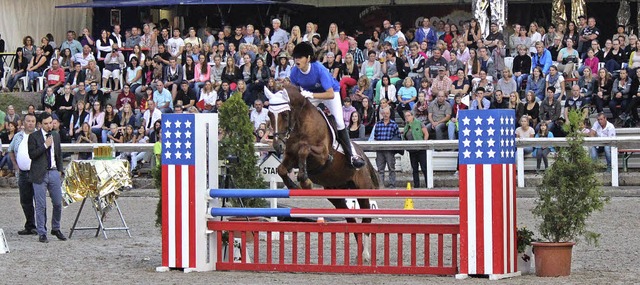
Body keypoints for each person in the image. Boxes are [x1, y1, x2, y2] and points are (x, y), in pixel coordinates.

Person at [289, 42, 365, 168]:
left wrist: (311, 96)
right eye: (296, 57)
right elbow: (295, 91)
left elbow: (330, 94)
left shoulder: (319, 69)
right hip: (310, 94)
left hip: (330, 94)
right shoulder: (294, 72)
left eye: (300, 57)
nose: (297, 60)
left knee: (340, 123)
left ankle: (352, 155)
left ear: (308, 58)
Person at [28, 113, 66, 243]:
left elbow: (59, 154)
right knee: (41, 205)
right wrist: (45, 145)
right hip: (39, 174)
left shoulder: (56, 135)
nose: (49, 125)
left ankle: (55, 228)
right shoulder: (33, 136)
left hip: (54, 172)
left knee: (57, 203)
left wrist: (60, 170)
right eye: (46, 123)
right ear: (40, 124)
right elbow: (32, 155)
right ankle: (42, 232)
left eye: (51, 123)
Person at [8, 114, 37, 235]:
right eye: (28, 121)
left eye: (33, 121)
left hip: (36, 173)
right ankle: (30, 225)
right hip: (23, 173)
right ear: (24, 123)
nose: (30, 123)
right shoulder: (18, 136)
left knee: (39, 201)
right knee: (25, 201)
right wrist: (15, 165)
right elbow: (10, 150)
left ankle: (41, 226)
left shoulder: (39, 136)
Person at [372, 107, 399, 187]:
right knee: (380, 169)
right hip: (380, 149)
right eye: (384, 113)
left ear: (390, 114)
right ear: (382, 114)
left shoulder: (394, 124)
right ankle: (380, 185)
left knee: (392, 168)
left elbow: (397, 137)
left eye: (387, 113)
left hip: (389, 149)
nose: (385, 115)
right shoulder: (378, 124)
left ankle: (392, 184)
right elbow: (375, 136)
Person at [403, 110, 428, 187]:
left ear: (412, 116)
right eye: (406, 116)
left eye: (408, 115)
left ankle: (428, 184)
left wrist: (423, 143)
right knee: (414, 169)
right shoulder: (406, 126)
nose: (407, 117)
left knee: (424, 168)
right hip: (412, 149)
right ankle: (417, 185)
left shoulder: (419, 123)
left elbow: (426, 134)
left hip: (421, 149)